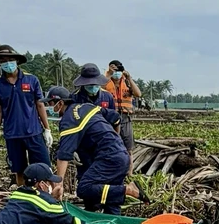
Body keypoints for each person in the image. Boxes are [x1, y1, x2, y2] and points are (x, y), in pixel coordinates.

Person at [45, 86, 146, 214]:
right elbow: (115, 118)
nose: (49, 107)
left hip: (108, 158)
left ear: (60, 103)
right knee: (112, 203)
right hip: (121, 155)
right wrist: (116, 141)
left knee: (84, 188)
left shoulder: (69, 120)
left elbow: (64, 155)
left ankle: (128, 190)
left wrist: (58, 183)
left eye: (50, 104)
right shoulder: (87, 107)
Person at [0, 44, 53, 187]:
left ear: (16, 61)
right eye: (3, 60)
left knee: (44, 168)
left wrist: (47, 129)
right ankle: (24, 197)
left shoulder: (31, 80)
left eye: (10, 59)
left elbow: (40, 104)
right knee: (19, 170)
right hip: (12, 134)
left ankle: (48, 197)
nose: (7, 63)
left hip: (33, 132)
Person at [103, 60, 142, 173]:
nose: (116, 72)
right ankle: (111, 170)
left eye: (118, 70)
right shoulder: (105, 81)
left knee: (128, 147)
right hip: (109, 118)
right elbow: (98, 88)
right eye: (113, 69)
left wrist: (129, 78)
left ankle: (129, 173)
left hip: (125, 117)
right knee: (109, 145)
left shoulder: (127, 82)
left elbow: (138, 94)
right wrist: (109, 74)